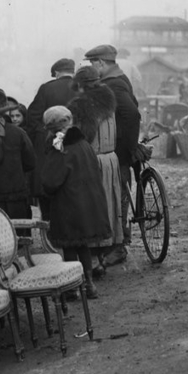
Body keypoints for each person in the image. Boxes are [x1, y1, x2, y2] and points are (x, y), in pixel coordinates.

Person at [37, 105, 110, 299]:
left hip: (68, 204)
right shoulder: (83, 143)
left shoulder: (61, 147)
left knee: (69, 246)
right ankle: (90, 285)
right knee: (83, 245)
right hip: (88, 202)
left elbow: (51, 181)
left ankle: (73, 287)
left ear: (52, 128)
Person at [84, 44, 141, 266]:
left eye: (92, 64)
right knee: (117, 196)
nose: (92, 68)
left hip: (118, 152)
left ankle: (118, 248)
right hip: (117, 150)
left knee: (117, 198)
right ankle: (118, 242)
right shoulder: (120, 79)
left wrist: (125, 150)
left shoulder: (114, 85)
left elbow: (132, 114)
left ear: (100, 63)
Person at [68, 66, 124, 280]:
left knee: (91, 209)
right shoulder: (108, 98)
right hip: (111, 159)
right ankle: (102, 256)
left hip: (93, 161)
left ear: (80, 84)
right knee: (108, 208)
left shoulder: (81, 105)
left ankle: (93, 259)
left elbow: (84, 135)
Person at [24, 58, 78, 217]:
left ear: (56, 73)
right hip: (77, 142)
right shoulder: (82, 87)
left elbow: (32, 117)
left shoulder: (46, 89)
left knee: (48, 188)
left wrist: (42, 136)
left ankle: (49, 229)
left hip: (49, 147)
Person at [0, 90, 37, 223]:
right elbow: (30, 163)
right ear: (6, 110)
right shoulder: (19, 133)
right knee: (19, 237)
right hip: (16, 196)